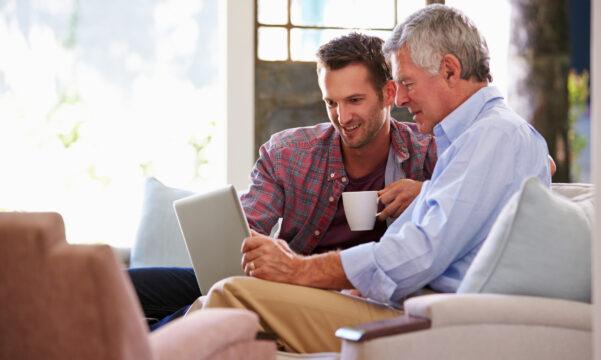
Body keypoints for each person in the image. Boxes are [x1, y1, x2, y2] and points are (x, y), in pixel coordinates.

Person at [188, 4, 552, 354]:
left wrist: (298, 269)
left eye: (407, 83)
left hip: (428, 320)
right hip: (407, 305)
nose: (403, 97)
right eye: (332, 103)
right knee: (210, 294)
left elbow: (419, 253)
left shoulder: (494, 137)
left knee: (231, 294)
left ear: (450, 70)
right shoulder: (475, 138)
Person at [128, 32, 436, 329]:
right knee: (124, 285)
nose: (343, 117)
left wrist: (426, 192)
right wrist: (256, 249)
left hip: (346, 299)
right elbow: (250, 228)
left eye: (355, 100)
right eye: (331, 103)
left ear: (389, 94)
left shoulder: (427, 153)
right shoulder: (290, 153)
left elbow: (467, 211)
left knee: (220, 302)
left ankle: (142, 347)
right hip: (285, 284)